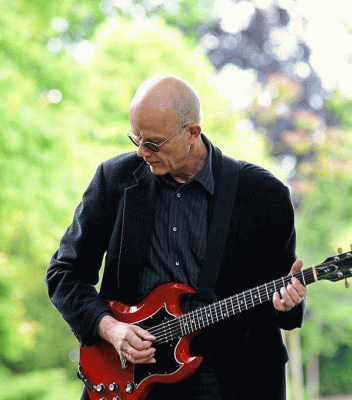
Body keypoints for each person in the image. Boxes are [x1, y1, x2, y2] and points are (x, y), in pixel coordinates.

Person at [46, 74, 307, 400]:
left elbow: (283, 295)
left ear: (192, 133)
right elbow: (64, 273)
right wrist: (110, 328)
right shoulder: (114, 180)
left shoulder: (263, 194)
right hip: (131, 374)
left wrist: (288, 303)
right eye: (136, 138)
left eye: (153, 143)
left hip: (233, 376)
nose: (141, 152)